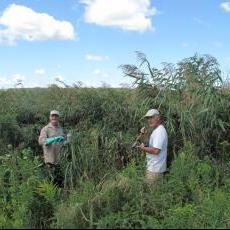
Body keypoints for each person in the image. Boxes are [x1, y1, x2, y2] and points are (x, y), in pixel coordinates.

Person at [138, 109, 168, 184]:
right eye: (148, 118)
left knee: (152, 193)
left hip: (155, 170)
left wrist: (143, 148)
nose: (149, 120)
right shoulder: (156, 130)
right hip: (154, 168)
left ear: (158, 118)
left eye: (151, 117)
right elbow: (151, 146)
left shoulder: (159, 132)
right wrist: (144, 135)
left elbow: (156, 150)